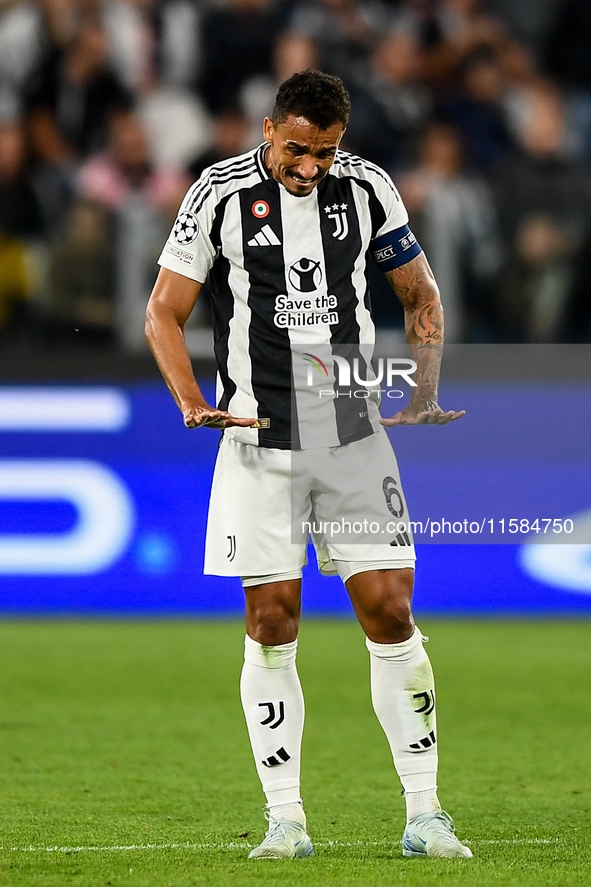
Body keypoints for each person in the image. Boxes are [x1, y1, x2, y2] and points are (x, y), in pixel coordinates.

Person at [145, 69, 470, 860]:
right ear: (268, 129)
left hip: (353, 432)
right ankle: (285, 818)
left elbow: (418, 292)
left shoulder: (366, 187)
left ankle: (425, 815)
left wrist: (423, 387)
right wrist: (190, 398)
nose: (310, 167)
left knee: (390, 610)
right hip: (257, 438)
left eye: (324, 152)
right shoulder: (217, 193)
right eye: (297, 149)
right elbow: (164, 309)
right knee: (271, 622)